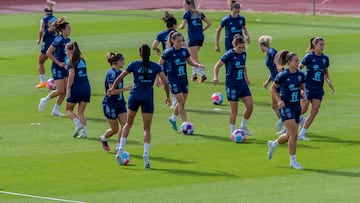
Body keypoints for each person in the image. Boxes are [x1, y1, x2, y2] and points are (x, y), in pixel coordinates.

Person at [108, 44, 170, 168]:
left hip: (134, 96)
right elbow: (166, 82)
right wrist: (168, 96)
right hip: (147, 97)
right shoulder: (155, 66)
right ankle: (146, 155)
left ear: (140, 54)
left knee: (128, 124)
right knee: (146, 129)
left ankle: (121, 148)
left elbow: (119, 78)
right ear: (149, 54)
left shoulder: (134, 64)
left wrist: (113, 88)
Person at [267, 50, 306, 170]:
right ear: (289, 62)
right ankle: (293, 161)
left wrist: (303, 93)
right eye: (295, 60)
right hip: (285, 107)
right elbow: (272, 89)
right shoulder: (283, 75)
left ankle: (273, 144)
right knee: (294, 133)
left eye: (298, 60)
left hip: (296, 107)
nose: (297, 62)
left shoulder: (300, 75)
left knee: (289, 135)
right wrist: (279, 100)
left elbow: (302, 87)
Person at [158, 31, 204, 132]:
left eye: (182, 40)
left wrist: (198, 65)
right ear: (173, 41)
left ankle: (173, 118)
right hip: (173, 80)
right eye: (178, 41)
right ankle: (186, 123)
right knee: (181, 102)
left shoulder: (184, 51)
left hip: (183, 79)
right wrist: (158, 78)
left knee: (182, 101)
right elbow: (159, 65)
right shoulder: (168, 52)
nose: (180, 43)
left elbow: (190, 62)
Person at [213, 35, 253, 136]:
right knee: (234, 110)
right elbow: (217, 66)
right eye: (239, 47)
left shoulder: (244, 54)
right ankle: (233, 132)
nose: (241, 49)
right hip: (232, 85)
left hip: (242, 84)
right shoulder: (229, 55)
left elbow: (243, 66)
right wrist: (215, 77)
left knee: (250, 106)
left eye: (242, 47)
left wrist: (246, 78)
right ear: (234, 45)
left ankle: (243, 126)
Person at [298, 37, 335, 140]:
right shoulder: (309, 57)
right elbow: (298, 69)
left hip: (318, 88)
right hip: (308, 86)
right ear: (314, 45)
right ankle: (288, 121)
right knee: (302, 110)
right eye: (320, 45)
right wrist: (299, 84)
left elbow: (326, 73)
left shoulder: (325, 58)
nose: (322, 47)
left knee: (315, 110)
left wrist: (329, 83)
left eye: (323, 45)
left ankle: (302, 133)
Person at [100, 52, 132, 152]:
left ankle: (118, 147)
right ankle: (103, 138)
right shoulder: (111, 74)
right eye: (123, 60)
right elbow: (111, 91)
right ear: (117, 62)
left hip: (120, 103)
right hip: (110, 104)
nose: (124, 62)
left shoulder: (120, 72)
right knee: (115, 130)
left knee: (125, 124)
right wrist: (126, 89)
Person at [39, 17, 71, 116]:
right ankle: (44, 99)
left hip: (64, 67)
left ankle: (55, 110)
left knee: (65, 90)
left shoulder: (68, 40)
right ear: (62, 30)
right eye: (68, 28)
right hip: (57, 67)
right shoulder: (58, 39)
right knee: (60, 90)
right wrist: (59, 63)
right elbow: (48, 53)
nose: (70, 30)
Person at [179, 0, 211, 83]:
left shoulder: (187, 14)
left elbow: (182, 26)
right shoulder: (199, 13)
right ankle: (194, 75)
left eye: (184, 5)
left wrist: (176, 27)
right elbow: (209, 23)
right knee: (192, 57)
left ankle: (202, 75)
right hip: (200, 37)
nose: (183, 6)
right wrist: (201, 30)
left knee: (194, 58)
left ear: (188, 5)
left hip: (192, 38)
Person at [64, 42, 90, 139]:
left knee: (68, 109)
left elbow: (72, 74)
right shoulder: (82, 60)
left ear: (70, 50)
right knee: (81, 112)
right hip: (86, 87)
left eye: (66, 50)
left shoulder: (70, 61)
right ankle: (84, 133)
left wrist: (68, 87)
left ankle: (77, 123)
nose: (66, 52)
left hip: (76, 87)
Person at [258, 35, 284, 131]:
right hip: (275, 80)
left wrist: (280, 73)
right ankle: (286, 125)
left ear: (261, 45)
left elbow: (279, 62)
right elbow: (272, 69)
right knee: (274, 106)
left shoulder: (271, 52)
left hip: (278, 82)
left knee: (280, 104)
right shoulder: (269, 53)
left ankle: (290, 122)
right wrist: (267, 81)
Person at [35, 0, 57, 88]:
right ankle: (60, 79)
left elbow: (41, 30)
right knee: (57, 61)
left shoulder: (43, 20)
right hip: (56, 42)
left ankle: (42, 82)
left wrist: (39, 39)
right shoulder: (56, 19)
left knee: (40, 62)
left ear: (45, 13)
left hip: (47, 42)